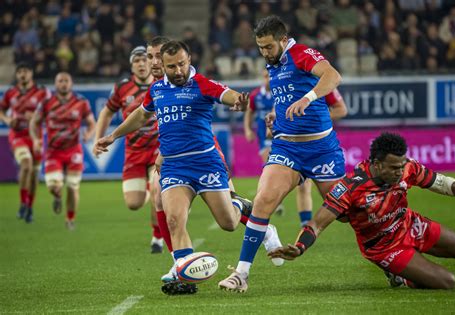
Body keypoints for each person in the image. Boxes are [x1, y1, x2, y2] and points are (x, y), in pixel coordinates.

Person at [95, 41, 282, 295]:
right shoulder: (157, 89)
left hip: (206, 163)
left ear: (189, 59)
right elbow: (141, 116)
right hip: (174, 166)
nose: (178, 70)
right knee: (174, 220)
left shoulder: (201, 83)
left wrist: (238, 101)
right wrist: (113, 135)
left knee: (228, 223)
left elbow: (227, 95)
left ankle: (240, 205)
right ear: (163, 65)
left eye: (182, 64)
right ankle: (185, 275)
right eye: (172, 66)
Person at [219, 15, 344, 292]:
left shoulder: (300, 54)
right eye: (260, 47)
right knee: (263, 200)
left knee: (347, 211)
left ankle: (387, 260)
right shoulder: (273, 63)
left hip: (322, 149)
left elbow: (333, 75)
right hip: (287, 146)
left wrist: (308, 98)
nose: (264, 53)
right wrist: (277, 116)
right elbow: (287, 96)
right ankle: (241, 274)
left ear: (283, 41)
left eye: (268, 47)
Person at [269, 132, 455, 290]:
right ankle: (400, 277)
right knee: (449, 282)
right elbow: (317, 224)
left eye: (401, 166)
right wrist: (299, 247)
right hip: (384, 248)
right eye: (394, 168)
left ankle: (410, 264)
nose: (400, 172)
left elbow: (440, 183)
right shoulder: (350, 187)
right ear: (376, 164)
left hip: (410, 225)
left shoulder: (407, 168)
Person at [245, 72, 348, 225]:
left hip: (319, 145)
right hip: (287, 142)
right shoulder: (280, 87)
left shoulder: (324, 84)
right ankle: (302, 222)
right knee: (300, 185)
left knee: (341, 210)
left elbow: (341, 109)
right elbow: (259, 112)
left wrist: (315, 118)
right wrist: (256, 127)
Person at [94, 44, 165, 253]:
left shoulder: (163, 83)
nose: (142, 64)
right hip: (134, 152)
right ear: (131, 66)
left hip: (158, 150)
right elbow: (106, 113)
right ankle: (145, 189)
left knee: (157, 190)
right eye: (137, 60)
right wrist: (99, 138)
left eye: (145, 59)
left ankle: (157, 238)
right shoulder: (122, 88)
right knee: (133, 204)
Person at [29, 72, 95, 229]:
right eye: (60, 81)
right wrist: (36, 140)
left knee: (73, 186)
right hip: (53, 152)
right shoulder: (46, 102)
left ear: (71, 83)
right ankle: (57, 196)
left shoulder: (81, 102)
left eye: (66, 81)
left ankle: (70, 219)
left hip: (74, 151)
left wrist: (88, 134)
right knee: (54, 186)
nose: (63, 84)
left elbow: (92, 122)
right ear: (55, 83)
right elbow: (34, 123)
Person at [0, 62, 51, 223]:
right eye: (20, 71)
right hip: (18, 136)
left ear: (31, 73)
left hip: (35, 137)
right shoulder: (10, 93)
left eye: (26, 71)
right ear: (17, 75)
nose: (23, 74)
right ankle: (23, 202)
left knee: (34, 174)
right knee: (26, 164)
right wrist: (8, 120)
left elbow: (52, 112)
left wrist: (37, 117)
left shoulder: (42, 92)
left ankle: (29, 207)